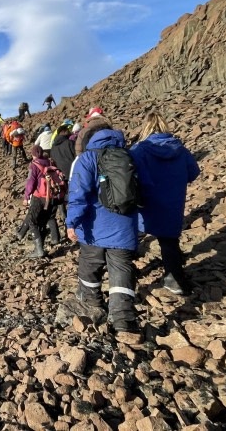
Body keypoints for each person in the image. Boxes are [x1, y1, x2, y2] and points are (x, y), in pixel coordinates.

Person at [64, 128, 140, 332]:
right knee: (121, 268)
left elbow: (78, 194)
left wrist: (71, 222)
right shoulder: (131, 156)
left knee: (90, 265)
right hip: (124, 227)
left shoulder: (87, 158)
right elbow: (144, 190)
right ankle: (122, 318)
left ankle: (93, 303)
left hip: (94, 227)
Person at [130, 112, 200, 295]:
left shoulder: (139, 150)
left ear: (146, 127)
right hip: (172, 202)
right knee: (169, 241)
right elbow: (193, 173)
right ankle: (175, 280)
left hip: (147, 202)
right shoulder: (180, 149)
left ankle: (126, 276)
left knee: (133, 236)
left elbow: (130, 176)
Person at [13, 145, 59, 258]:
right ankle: (24, 236)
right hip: (52, 196)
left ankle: (39, 250)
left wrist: (26, 197)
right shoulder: (49, 161)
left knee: (32, 221)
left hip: (39, 197)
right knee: (42, 222)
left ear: (33, 154)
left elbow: (30, 182)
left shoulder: (34, 165)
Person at [50, 120, 77, 223]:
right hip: (72, 173)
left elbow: (53, 162)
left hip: (59, 175)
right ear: (64, 132)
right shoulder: (70, 143)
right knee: (73, 195)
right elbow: (77, 157)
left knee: (61, 194)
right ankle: (73, 216)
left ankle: (63, 214)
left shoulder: (53, 147)